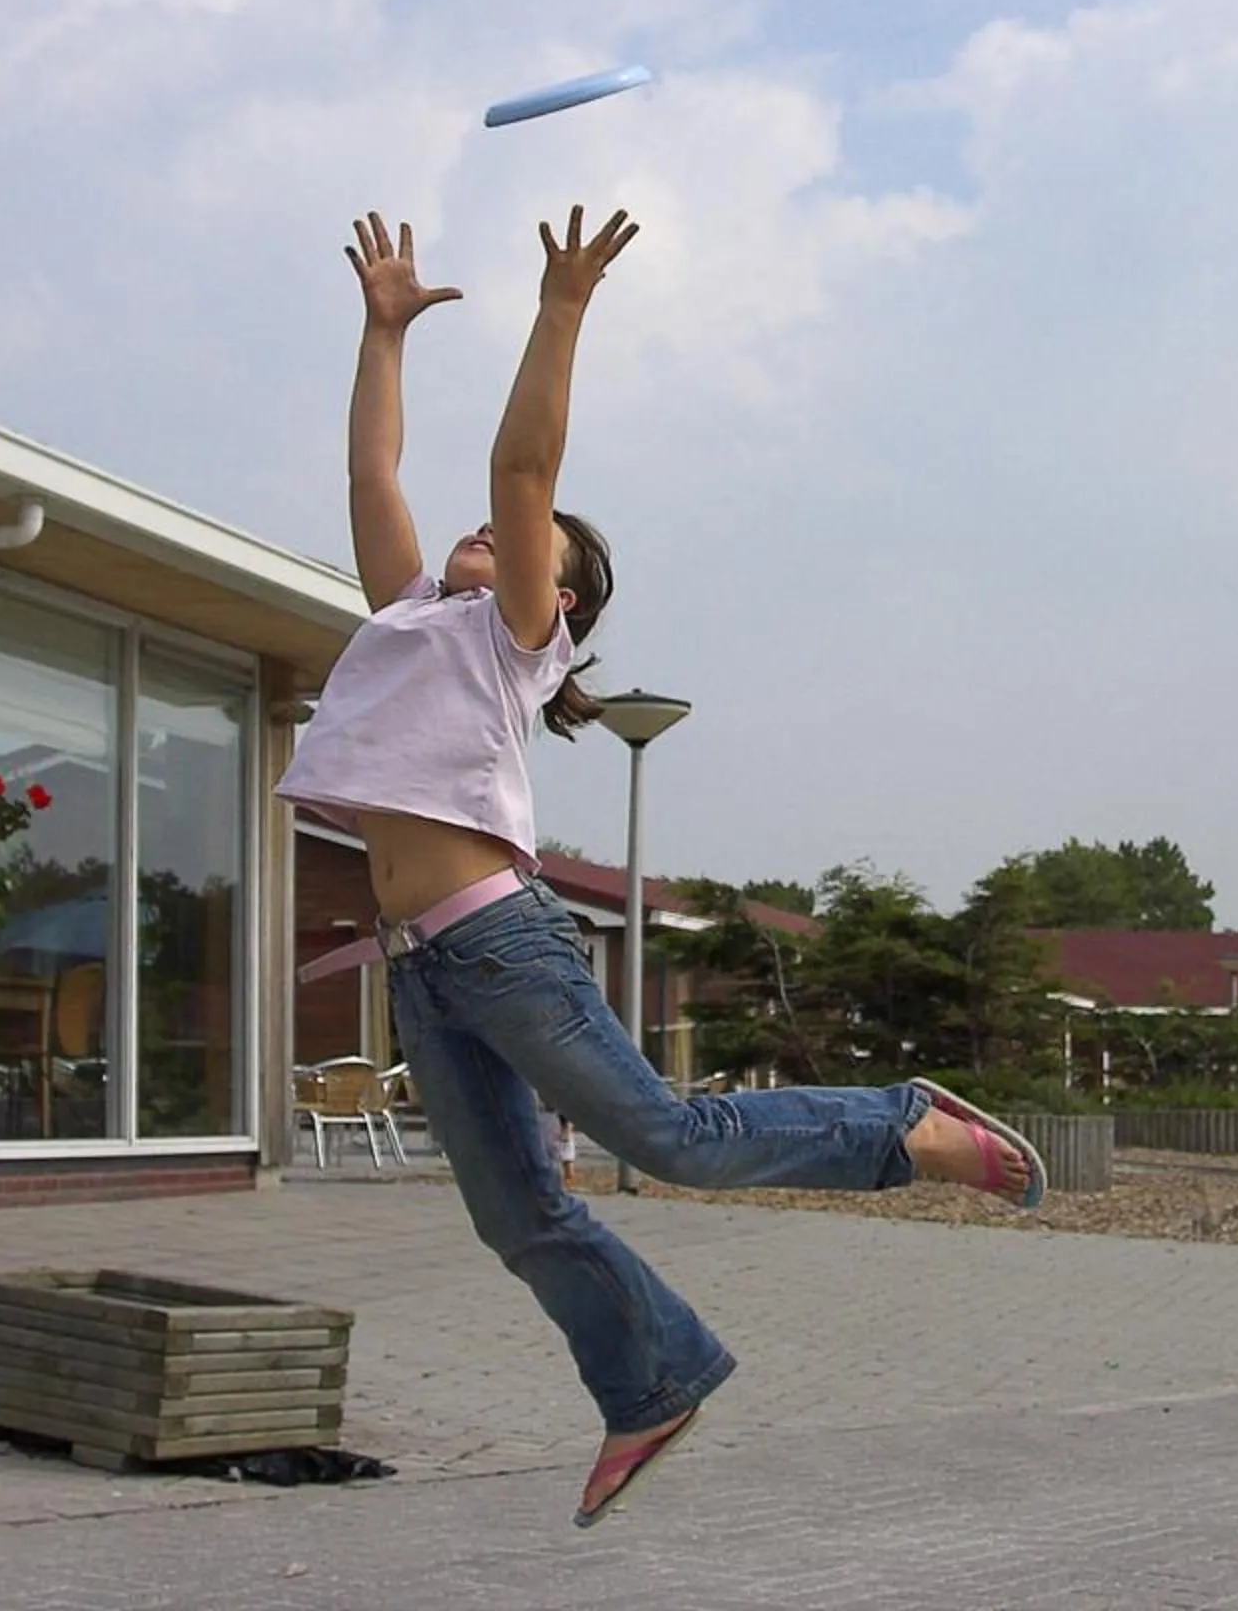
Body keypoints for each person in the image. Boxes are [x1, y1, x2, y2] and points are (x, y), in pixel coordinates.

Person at [278, 206, 1047, 1530]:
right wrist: (381, 334)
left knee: (670, 1142)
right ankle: (652, 1380)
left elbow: (524, 474)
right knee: (515, 1218)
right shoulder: (411, 617)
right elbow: (369, 478)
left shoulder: (510, 638)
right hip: (424, 977)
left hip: (497, 943)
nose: (480, 535)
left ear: (556, 603)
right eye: (473, 534)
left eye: (522, 550)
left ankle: (901, 1123)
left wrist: (562, 306)